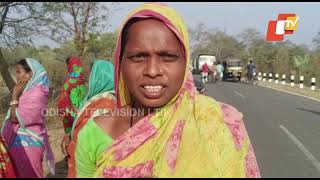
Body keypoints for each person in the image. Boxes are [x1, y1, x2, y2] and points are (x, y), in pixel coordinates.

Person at [77, 2, 260, 178]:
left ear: (185, 62)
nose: (152, 71)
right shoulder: (95, 134)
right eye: (138, 57)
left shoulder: (220, 123)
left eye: (168, 57)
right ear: (120, 63)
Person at [1, 58, 55, 178]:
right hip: (18, 143)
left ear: (30, 74)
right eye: (16, 72)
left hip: (29, 145)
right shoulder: (27, 92)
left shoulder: (38, 94)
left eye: (19, 72)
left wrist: (14, 95)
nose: (17, 76)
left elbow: (15, 118)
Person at [64, 59, 116, 178]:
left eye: (90, 76)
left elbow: (96, 140)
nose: (87, 80)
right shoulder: (97, 99)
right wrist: (70, 135)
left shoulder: (106, 105)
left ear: (99, 78)